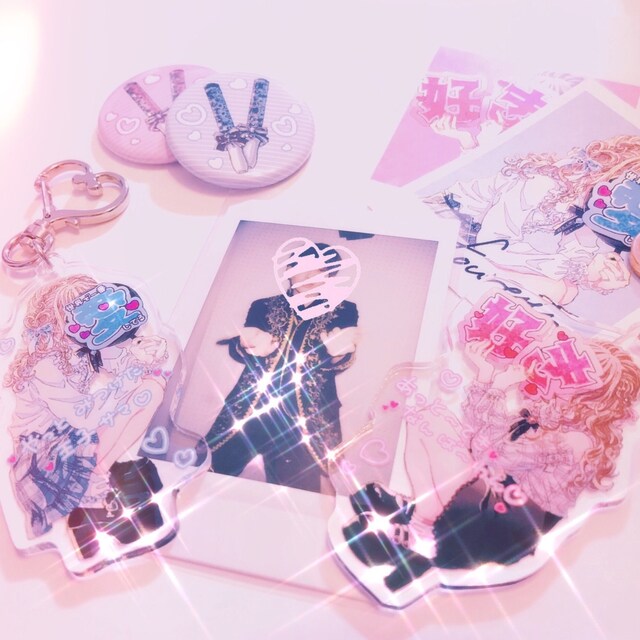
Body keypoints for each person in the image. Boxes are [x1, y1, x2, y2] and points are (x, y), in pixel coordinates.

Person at [342, 336, 640, 592]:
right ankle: (420, 527)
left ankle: (424, 533)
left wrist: (495, 388)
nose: (554, 372)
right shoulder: (551, 417)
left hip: (505, 526)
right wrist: (487, 378)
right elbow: (484, 432)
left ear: (591, 395)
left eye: (571, 373)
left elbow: (492, 452)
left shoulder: (577, 439)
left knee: (439, 428)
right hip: (490, 498)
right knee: (428, 416)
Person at [4, 275, 169, 557]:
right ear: (60, 322)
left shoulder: (84, 349)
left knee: (152, 388)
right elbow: (83, 419)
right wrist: (130, 376)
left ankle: (99, 469)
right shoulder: (46, 364)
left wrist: (144, 352)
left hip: (74, 436)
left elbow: (117, 365)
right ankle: (96, 474)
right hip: (44, 452)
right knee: (142, 391)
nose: (96, 322)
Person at [206, 243, 359, 493]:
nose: (311, 276)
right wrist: (248, 344)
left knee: (297, 492)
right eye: (305, 268)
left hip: (308, 415)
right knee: (210, 472)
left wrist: (339, 352)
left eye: (322, 271)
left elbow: (340, 359)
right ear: (289, 270)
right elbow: (243, 347)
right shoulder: (263, 306)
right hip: (250, 407)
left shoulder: (344, 310)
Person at [424, 135, 640, 306]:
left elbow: (578, 248)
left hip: (480, 242)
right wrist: (577, 269)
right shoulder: (543, 183)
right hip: (448, 221)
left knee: (567, 290)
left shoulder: (591, 211)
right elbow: (492, 242)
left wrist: (599, 274)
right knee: (557, 288)